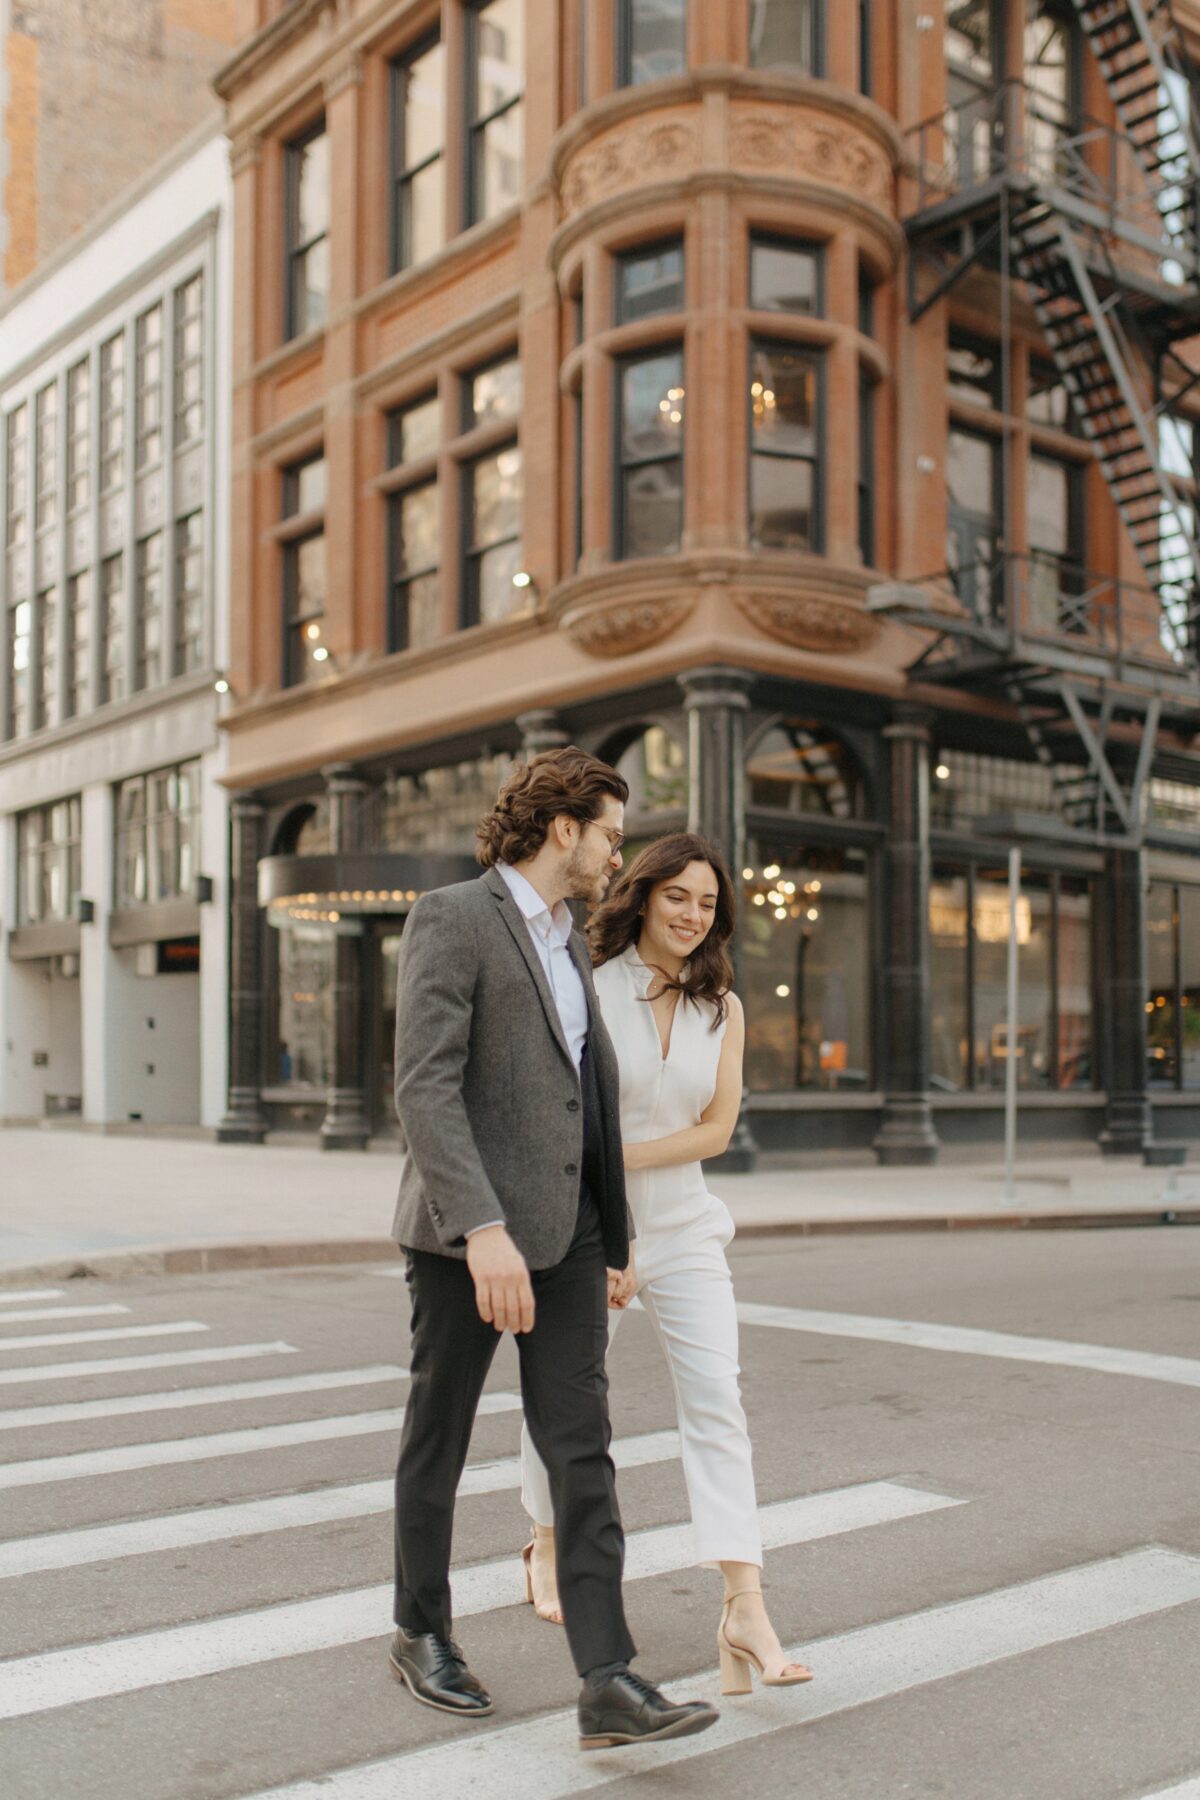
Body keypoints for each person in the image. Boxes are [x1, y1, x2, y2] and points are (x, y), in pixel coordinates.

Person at [389, 749, 719, 1751]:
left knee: (583, 1452)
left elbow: (580, 1096)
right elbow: (425, 1089)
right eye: (613, 834)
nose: (620, 854)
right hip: (468, 1242)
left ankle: (608, 1677)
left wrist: (612, 1238)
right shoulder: (452, 918)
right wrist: (481, 1229)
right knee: (438, 1434)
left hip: (570, 1238)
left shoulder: (569, 938)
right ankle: (421, 1629)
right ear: (565, 828)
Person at [519, 832, 813, 1696]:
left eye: (708, 904)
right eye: (677, 897)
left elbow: (716, 1133)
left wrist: (625, 1164)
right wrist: (610, 1230)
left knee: (718, 1397)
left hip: (683, 1228)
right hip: (587, 1229)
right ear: (644, 896)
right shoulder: (584, 984)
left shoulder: (722, 1005)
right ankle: (542, 1539)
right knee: (569, 1396)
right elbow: (561, 1117)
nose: (692, 916)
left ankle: (744, 1604)